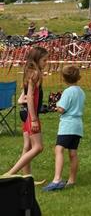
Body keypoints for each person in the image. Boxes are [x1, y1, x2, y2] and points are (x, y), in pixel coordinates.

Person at [5, 46, 48, 176]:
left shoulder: (29, 72)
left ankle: (26, 179)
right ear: (37, 59)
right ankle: (10, 173)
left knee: (28, 146)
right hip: (30, 115)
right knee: (38, 147)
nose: (46, 63)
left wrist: (20, 100)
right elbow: (29, 96)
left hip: (26, 113)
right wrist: (34, 119)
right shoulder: (35, 74)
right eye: (44, 60)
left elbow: (24, 95)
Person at [42, 66, 85, 191]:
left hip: (67, 125)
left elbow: (61, 109)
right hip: (77, 125)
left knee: (59, 150)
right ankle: (72, 180)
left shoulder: (68, 92)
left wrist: (54, 105)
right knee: (73, 153)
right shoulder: (81, 91)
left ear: (64, 79)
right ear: (78, 77)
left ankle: (57, 179)